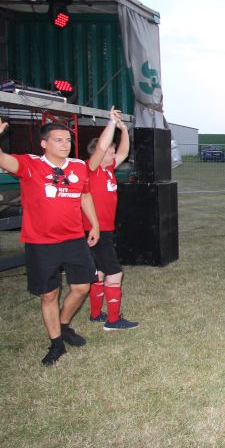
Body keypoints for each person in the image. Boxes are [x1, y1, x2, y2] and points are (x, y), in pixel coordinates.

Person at [0, 109, 100, 365]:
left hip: (74, 239)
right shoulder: (31, 165)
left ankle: (63, 325)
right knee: (49, 295)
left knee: (82, 287)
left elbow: (84, 195)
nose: (65, 144)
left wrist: (94, 224)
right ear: (44, 144)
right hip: (41, 242)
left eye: (68, 140)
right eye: (58, 140)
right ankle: (56, 343)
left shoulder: (79, 167)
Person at [84, 109, 138, 331]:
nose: (114, 154)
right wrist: (111, 123)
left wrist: (123, 130)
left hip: (104, 229)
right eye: (110, 151)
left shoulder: (107, 170)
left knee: (99, 273)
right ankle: (113, 321)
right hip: (95, 230)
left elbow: (124, 152)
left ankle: (96, 314)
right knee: (115, 272)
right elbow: (101, 147)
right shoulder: (91, 168)